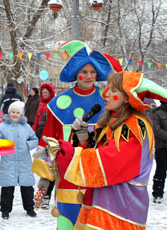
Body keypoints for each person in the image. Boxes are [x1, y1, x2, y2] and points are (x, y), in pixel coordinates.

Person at [53, 71, 166, 229]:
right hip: (103, 202)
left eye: (114, 90)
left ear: (128, 97)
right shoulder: (110, 122)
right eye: (108, 88)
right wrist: (84, 138)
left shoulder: (134, 126)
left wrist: (67, 153)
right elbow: (98, 151)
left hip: (121, 208)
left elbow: (111, 162)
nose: (106, 94)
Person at [31, 40, 122, 229]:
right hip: (67, 174)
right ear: (76, 74)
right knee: (68, 221)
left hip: (98, 175)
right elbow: (49, 138)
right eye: (84, 72)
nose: (88, 76)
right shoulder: (58, 103)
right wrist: (45, 178)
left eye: (92, 72)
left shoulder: (108, 100)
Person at [0, 101, 38, 219]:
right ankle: (5, 210)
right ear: (9, 113)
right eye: (13, 112)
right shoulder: (2, 127)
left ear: (21, 114)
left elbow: (34, 139)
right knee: (7, 188)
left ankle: (29, 208)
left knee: (27, 187)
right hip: (8, 162)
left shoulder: (26, 127)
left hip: (24, 162)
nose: (15, 114)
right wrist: (3, 146)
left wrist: (27, 146)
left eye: (17, 112)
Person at [151, 100, 167, 204]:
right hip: (162, 147)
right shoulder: (157, 113)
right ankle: (157, 193)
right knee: (161, 171)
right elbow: (156, 129)